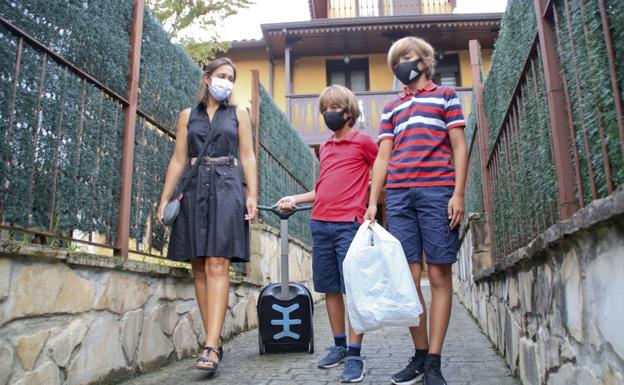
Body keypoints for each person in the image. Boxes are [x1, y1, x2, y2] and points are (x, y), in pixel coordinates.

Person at [364, 36, 467, 385]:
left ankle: (435, 361)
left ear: (424, 60)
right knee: (407, 281)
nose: (402, 65)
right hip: (398, 197)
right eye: (396, 62)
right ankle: (420, 354)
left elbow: (459, 147)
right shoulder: (391, 108)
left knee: (438, 275)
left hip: (438, 192)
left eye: (407, 57)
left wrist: (458, 193)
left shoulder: (446, 97)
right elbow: (382, 157)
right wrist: (372, 203)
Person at [157, 57, 257, 376]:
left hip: (228, 186)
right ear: (207, 78)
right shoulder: (187, 116)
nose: (226, 81)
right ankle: (213, 339)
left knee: (218, 263)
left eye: (231, 77)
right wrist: (164, 201)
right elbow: (177, 160)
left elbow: (248, 155)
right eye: (221, 75)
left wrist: (252, 194)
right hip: (195, 187)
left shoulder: (238, 114)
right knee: (198, 266)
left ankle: (211, 344)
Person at [277, 85, 378, 383]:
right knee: (331, 289)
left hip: (349, 224)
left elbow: (383, 170)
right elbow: (322, 189)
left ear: (349, 111)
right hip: (320, 224)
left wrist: (370, 198)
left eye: (333, 108)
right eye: (324, 109)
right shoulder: (327, 147)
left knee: (353, 290)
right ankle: (339, 346)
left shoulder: (364, 143)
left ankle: (355, 354)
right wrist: (294, 199)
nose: (328, 114)